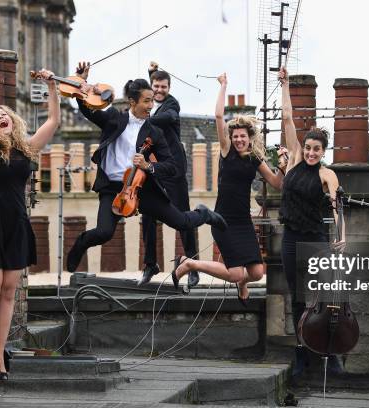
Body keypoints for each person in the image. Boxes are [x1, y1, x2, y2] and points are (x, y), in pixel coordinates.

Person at [66, 62, 226, 274]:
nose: (151, 105)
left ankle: (204, 214)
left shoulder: (153, 131)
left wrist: (149, 166)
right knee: (104, 232)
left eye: (152, 101)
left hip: (142, 187)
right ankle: (81, 244)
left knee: (182, 222)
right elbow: (88, 110)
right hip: (113, 188)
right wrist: (81, 83)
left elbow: (170, 166)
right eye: (147, 101)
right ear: (133, 102)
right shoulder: (114, 118)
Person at [0, 61, 60, 380]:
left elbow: (55, 120)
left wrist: (53, 86)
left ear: (12, 121)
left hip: (16, 223)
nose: (0, 116)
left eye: (4, 113)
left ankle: (1, 353)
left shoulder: (25, 149)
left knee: (8, 293)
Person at [172, 73, 287, 303]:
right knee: (235, 273)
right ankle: (190, 263)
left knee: (256, 273)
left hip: (243, 221)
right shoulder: (226, 153)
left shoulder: (255, 159)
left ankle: (242, 285)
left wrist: (283, 166)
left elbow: (277, 184)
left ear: (249, 137)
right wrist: (224, 85)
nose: (238, 140)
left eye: (242, 136)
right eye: (235, 136)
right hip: (222, 220)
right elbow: (218, 115)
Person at [278, 67, 346, 377]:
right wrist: (286, 85)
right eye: (308, 148)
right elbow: (288, 118)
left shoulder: (326, 173)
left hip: (316, 239)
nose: (310, 152)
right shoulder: (293, 158)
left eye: (316, 149)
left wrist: (341, 234)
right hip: (291, 237)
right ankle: (303, 353)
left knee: (325, 296)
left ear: (323, 151)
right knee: (298, 298)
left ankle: (331, 355)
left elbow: (336, 205)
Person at [138, 62, 199, 287]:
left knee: (183, 216)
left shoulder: (171, 105)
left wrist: (141, 119)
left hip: (173, 169)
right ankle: (150, 264)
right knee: (148, 216)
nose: (160, 90)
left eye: (164, 86)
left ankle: (192, 264)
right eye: (156, 86)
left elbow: (169, 117)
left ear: (169, 87)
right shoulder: (150, 103)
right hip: (154, 170)